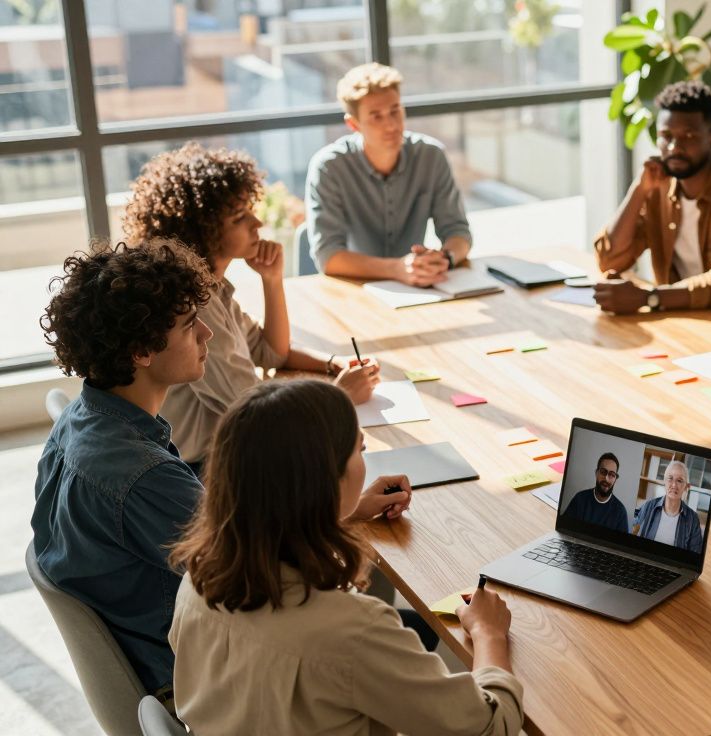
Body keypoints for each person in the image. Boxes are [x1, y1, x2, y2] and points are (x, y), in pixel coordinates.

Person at [168, 379, 523, 735]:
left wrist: (339, 513)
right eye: (358, 449)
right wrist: (488, 632)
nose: (364, 456)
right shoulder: (354, 632)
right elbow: (492, 727)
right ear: (326, 480)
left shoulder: (196, 583)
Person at [31, 240, 214, 703]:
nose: (207, 333)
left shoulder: (78, 420)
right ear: (141, 350)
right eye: (190, 324)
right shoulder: (143, 475)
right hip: (189, 679)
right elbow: (257, 571)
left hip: (147, 658)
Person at [123, 142, 380, 471]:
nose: (257, 223)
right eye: (239, 217)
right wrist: (339, 395)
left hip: (229, 449)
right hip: (205, 469)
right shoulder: (195, 307)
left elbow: (270, 352)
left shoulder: (213, 288)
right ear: (204, 230)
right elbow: (258, 415)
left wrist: (273, 281)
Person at [593, 80, 711, 324]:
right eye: (666, 136)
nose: (675, 147)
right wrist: (639, 190)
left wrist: (648, 298)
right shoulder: (659, 186)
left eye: (689, 136)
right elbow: (610, 260)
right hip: (684, 324)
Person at [306, 62, 473, 284]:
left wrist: (444, 259)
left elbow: (458, 232)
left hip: (418, 287)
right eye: (376, 116)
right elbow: (328, 257)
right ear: (354, 124)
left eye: (395, 111)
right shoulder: (329, 167)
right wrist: (397, 269)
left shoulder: (431, 156)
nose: (391, 125)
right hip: (356, 287)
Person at [632, 460, 704, 553]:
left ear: (686, 487)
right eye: (670, 478)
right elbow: (632, 529)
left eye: (679, 481)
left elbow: (695, 554)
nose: (674, 485)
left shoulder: (693, 519)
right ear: (664, 482)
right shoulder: (648, 506)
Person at [561, 453, 630, 533]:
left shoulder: (620, 512)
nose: (606, 479)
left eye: (612, 475)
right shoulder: (579, 499)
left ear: (615, 479)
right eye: (603, 472)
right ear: (596, 473)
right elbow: (563, 529)